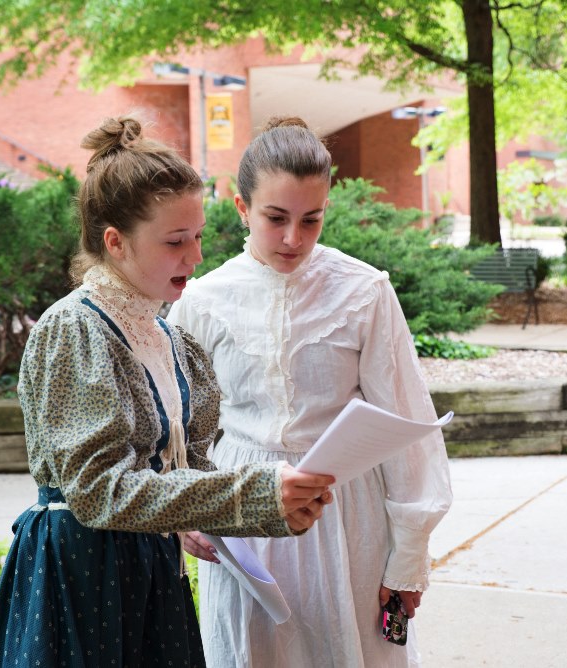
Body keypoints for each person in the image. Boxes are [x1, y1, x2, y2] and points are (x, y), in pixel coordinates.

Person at [0, 114, 334, 668]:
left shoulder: (169, 338)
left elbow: (182, 472)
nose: (194, 257)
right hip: (84, 572)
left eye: (197, 238)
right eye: (174, 242)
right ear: (115, 242)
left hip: (149, 566)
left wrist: (278, 501)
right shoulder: (76, 331)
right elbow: (99, 492)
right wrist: (255, 494)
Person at [167, 117, 453, 667]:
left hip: (345, 516)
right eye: (275, 218)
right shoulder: (202, 301)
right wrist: (189, 513)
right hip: (241, 516)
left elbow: (408, 427)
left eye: (312, 219)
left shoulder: (364, 291)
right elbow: (178, 427)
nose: (293, 238)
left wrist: (408, 559)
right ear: (242, 207)